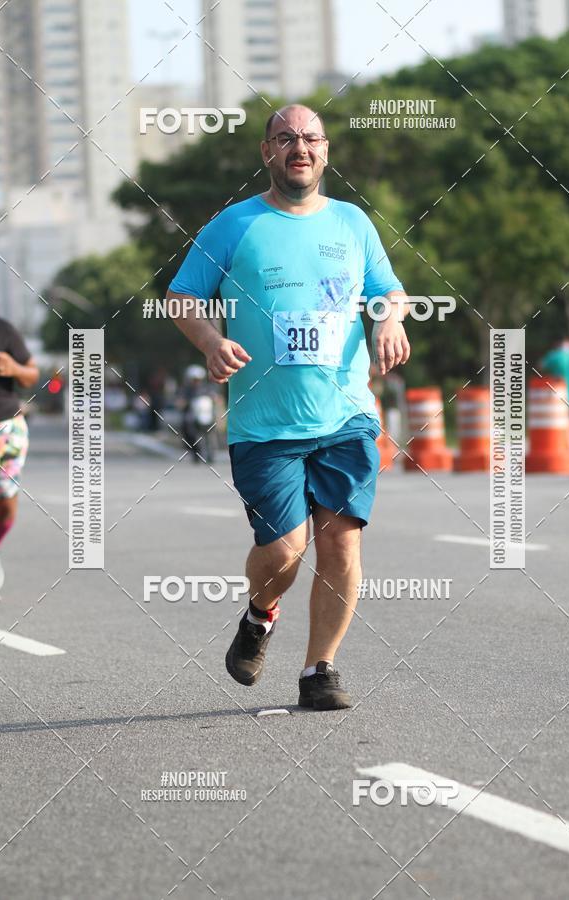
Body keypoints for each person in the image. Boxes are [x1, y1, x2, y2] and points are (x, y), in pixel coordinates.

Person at [167, 104, 410, 710]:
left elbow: (389, 291)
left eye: (310, 139)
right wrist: (211, 341)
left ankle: (319, 670)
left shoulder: (353, 222)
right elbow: (182, 297)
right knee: (285, 550)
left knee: (342, 544)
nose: (299, 148)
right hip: (264, 422)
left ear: (325, 151)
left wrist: (388, 320)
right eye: (285, 138)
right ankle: (260, 612)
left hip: (346, 414)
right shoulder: (234, 224)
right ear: (266, 152)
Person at [0, 318, 40, 598]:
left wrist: (14, 368)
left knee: (6, 504)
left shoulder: (3, 330)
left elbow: (32, 374)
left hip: (6, 426)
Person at [180, 365, 217, 463]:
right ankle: (196, 454)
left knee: (210, 436)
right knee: (191, 433)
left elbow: (215, 398)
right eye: (194, 380)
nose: (196, 382)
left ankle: (211, 455)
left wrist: (214, 400)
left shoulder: (207, 388)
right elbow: (180, 402)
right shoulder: (186, 390)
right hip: (192, 417)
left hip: (207, 416)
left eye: (198, 379)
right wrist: (185, 403)